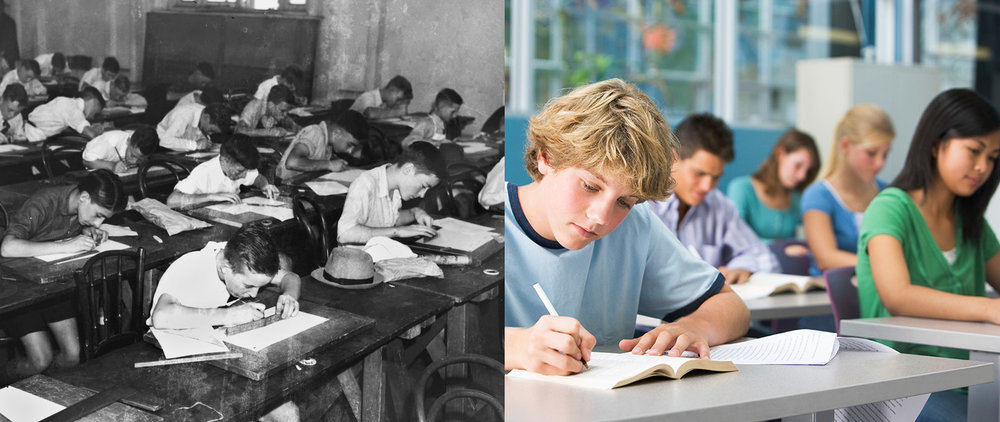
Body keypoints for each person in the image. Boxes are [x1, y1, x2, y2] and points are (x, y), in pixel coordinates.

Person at [505, 79, 749, 376]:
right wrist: (515, 346)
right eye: (590, 185)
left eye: (625, 201)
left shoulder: (636, 225)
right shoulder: (480, 220)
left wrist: (692, 327)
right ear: (546, 157)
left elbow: (730, 305)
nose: (601, 217)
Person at [857, 89, 1000, 422]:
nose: (983, 167)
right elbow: (898, 297)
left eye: (993, 157)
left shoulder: (970, 220)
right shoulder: (889, 208)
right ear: (937, 144)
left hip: (971, 375)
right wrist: (990, 308)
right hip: (904, 384)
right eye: (974, 151)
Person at [0, 170, 126, 385]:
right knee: (40, 359)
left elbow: (68, 229)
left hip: (50, 285)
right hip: (16, 287)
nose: (98, 223)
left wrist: (87, 233)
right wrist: (67, 245)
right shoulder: (45, 201)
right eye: (98, 215)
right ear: (84, 197)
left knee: (73, 355)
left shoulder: (81, 206)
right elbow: (7, 248)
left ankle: (42, 391)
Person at [648, 113, 779, 284]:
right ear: (673, 158)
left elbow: (765, 259)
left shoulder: (719, 206)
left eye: (716, 177)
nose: (707, 186)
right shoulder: (643, 204)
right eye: (699, 173)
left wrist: (742, 267)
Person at [802, 104, 895, 275]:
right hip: (830, 296)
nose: (880, 163)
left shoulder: (888, 193)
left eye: (885, 154)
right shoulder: (817, 196)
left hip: (879, 293)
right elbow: (826, 258)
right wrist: (889, 266)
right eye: (872, 153)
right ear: (845, 145)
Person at [727, 128, 820, 243]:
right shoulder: (741, 188)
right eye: (798, 165)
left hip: (787, 260)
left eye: (808, 170)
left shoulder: (797, 197)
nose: (802, 176)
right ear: (780, 154)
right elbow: (735, 238)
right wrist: (782, 247)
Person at [336, 145, 442, 244]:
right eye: (423, 186)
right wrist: (397, 231)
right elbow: (345, 233)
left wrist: (415, 212)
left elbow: (389, 221)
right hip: (357, 259)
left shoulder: (395, 186)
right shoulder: (366, 183)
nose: (422, 194)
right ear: (408, 169)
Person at [166, 135, 279, 208]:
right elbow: (172, 201)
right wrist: (211, 197)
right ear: (225, 161)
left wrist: (265, 185)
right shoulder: (204, 172)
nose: (244, 175)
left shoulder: (242, 166)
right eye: (240, 171)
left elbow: (257, 178)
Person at [275, 110, 365, 181]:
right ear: (337, 133)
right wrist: (329, 165)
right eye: (349, 145)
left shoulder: (328, 144)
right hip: (285, 187)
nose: (350, 151)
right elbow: (292, 162)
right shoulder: (315, 133)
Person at [25, 86, 105, 141]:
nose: (93, 116)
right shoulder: (74, 109)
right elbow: (91, 135)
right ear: (92, 100)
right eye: (96, 111)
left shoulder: (69, 102)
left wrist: (90, 128)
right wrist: (97, 132)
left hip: (34, 131)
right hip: (34, 136)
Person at [155, 102, 232, 151]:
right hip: (162, 148)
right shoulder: (184, 115)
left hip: (183, 150)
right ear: (206, 117)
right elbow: (165, 141)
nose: (210, 133)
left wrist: (205, 142)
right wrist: (196, 145)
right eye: (211, 130)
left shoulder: (204, 114)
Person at [81, 126, 159, 173]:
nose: (134, 161)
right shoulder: (112, 140)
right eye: (132, 155)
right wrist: (112, 166)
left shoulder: (139, 145)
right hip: (89, 170)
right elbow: (86, 161)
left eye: (139, 160)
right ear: (128, 141)